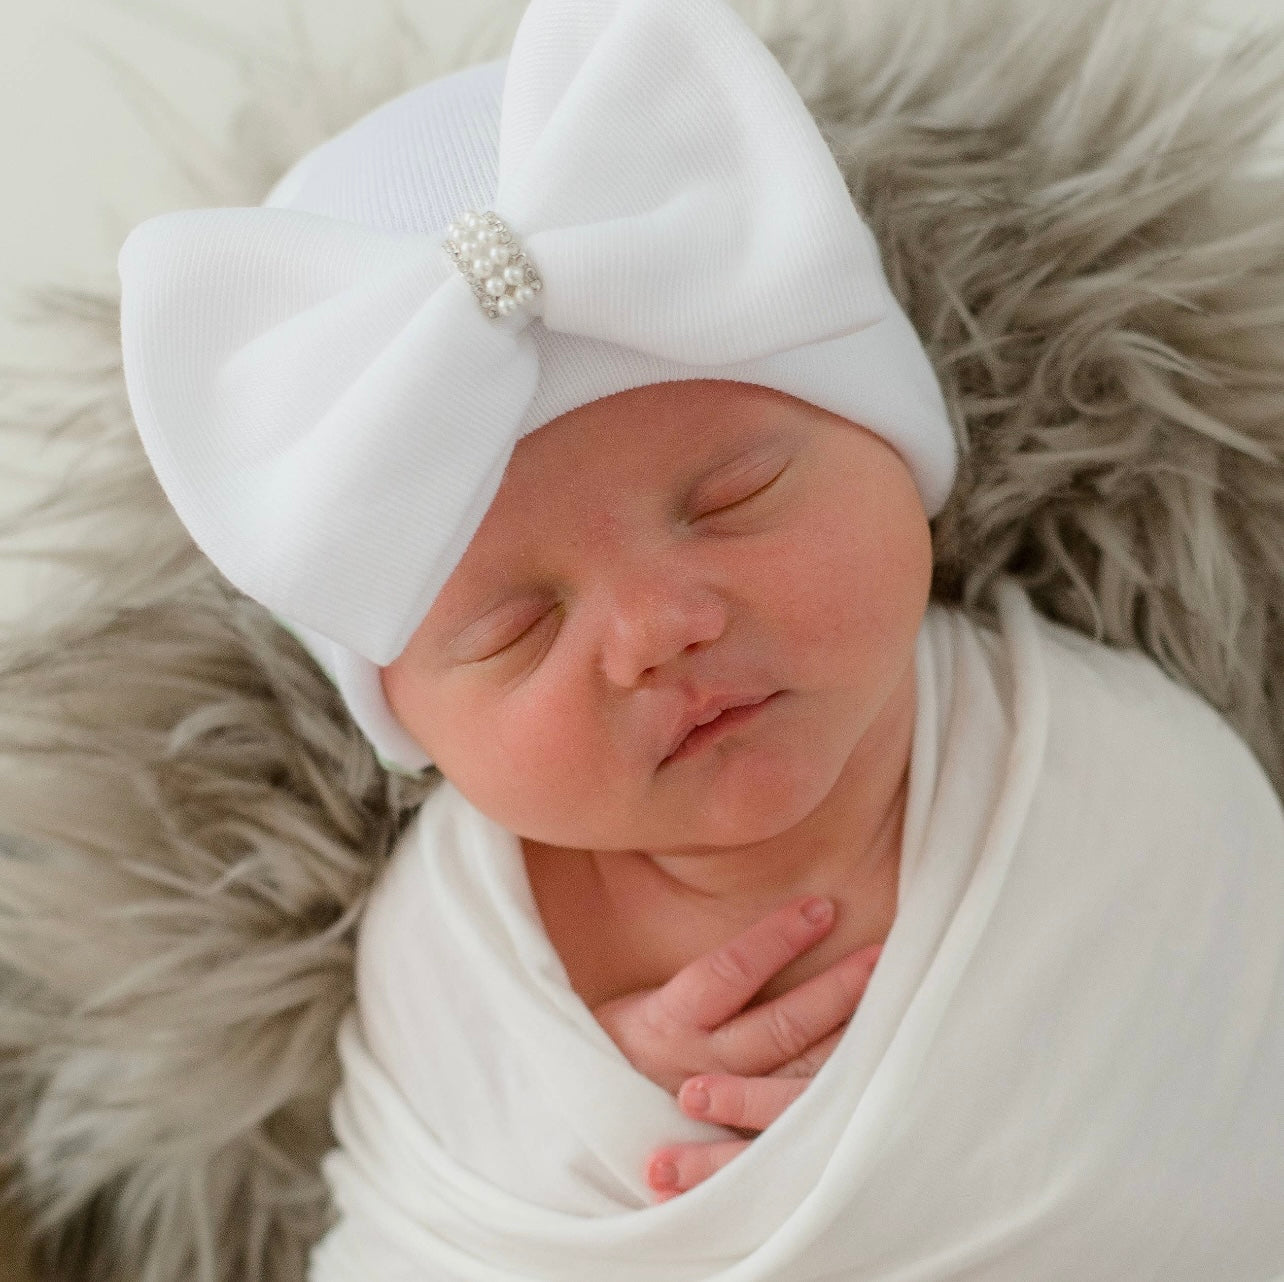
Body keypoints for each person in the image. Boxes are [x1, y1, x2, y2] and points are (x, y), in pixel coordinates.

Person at [115, 0, 1284, 1276]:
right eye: (517, 628)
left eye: (733, 499)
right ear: (412, 725)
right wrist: (593, 1110)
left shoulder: (1136, 790)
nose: (657, 632)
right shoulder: (450, 946)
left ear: (894, 451)